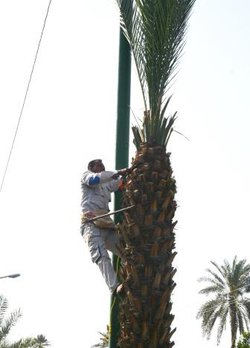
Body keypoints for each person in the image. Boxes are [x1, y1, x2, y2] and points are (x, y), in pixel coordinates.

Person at [80, 159, 129, 295]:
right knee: (101, 256)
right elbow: (95, 179)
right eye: (98, 165)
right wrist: (117, 172)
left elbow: (119, 182)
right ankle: (115, 286)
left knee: (127, 250)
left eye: (103, 165)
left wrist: (128, 173)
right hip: (91, 225)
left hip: (106, 225)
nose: (102, 167)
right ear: (91, 167)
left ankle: (131, 279)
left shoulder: (106, 184)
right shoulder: (87, 177)